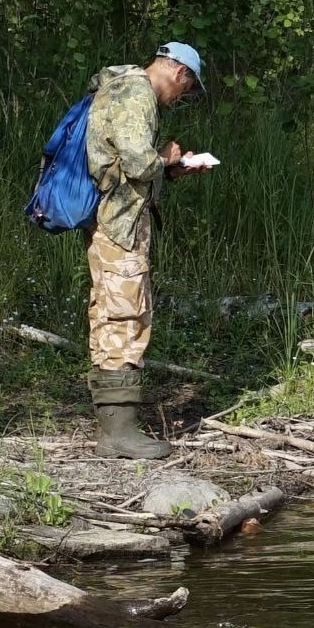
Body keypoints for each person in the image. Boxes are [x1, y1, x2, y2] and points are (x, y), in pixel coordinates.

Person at [84, 42, 208, 460]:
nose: (181, 98)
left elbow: (126, 162)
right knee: (125, 316)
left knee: (112, 313)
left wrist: (174, 169)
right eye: (186, 90)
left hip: (111, 219)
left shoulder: (120, 86)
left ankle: (115, 428)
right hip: (119, 224)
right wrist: (168, 156)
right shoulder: (137, 94)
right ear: (180, 74)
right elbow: (138, 163)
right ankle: (118, 434)